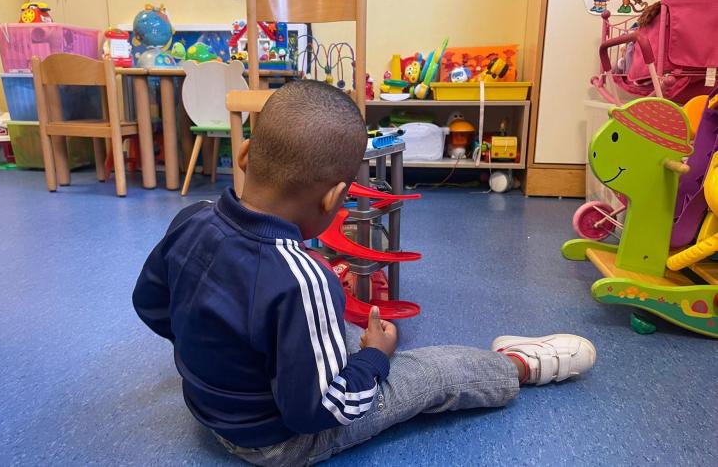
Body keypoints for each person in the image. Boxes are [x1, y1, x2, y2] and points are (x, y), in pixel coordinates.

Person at [132, 81, 596, 466]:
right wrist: (375, 358)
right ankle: (517, 366)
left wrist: (215, 352)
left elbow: (151, 305)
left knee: (333, 337)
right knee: (430, 373)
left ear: (245, 154)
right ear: (334, 199)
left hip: (208, 410)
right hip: (276, 443)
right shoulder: (303, 280)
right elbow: (320, 410)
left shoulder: (192, 218)